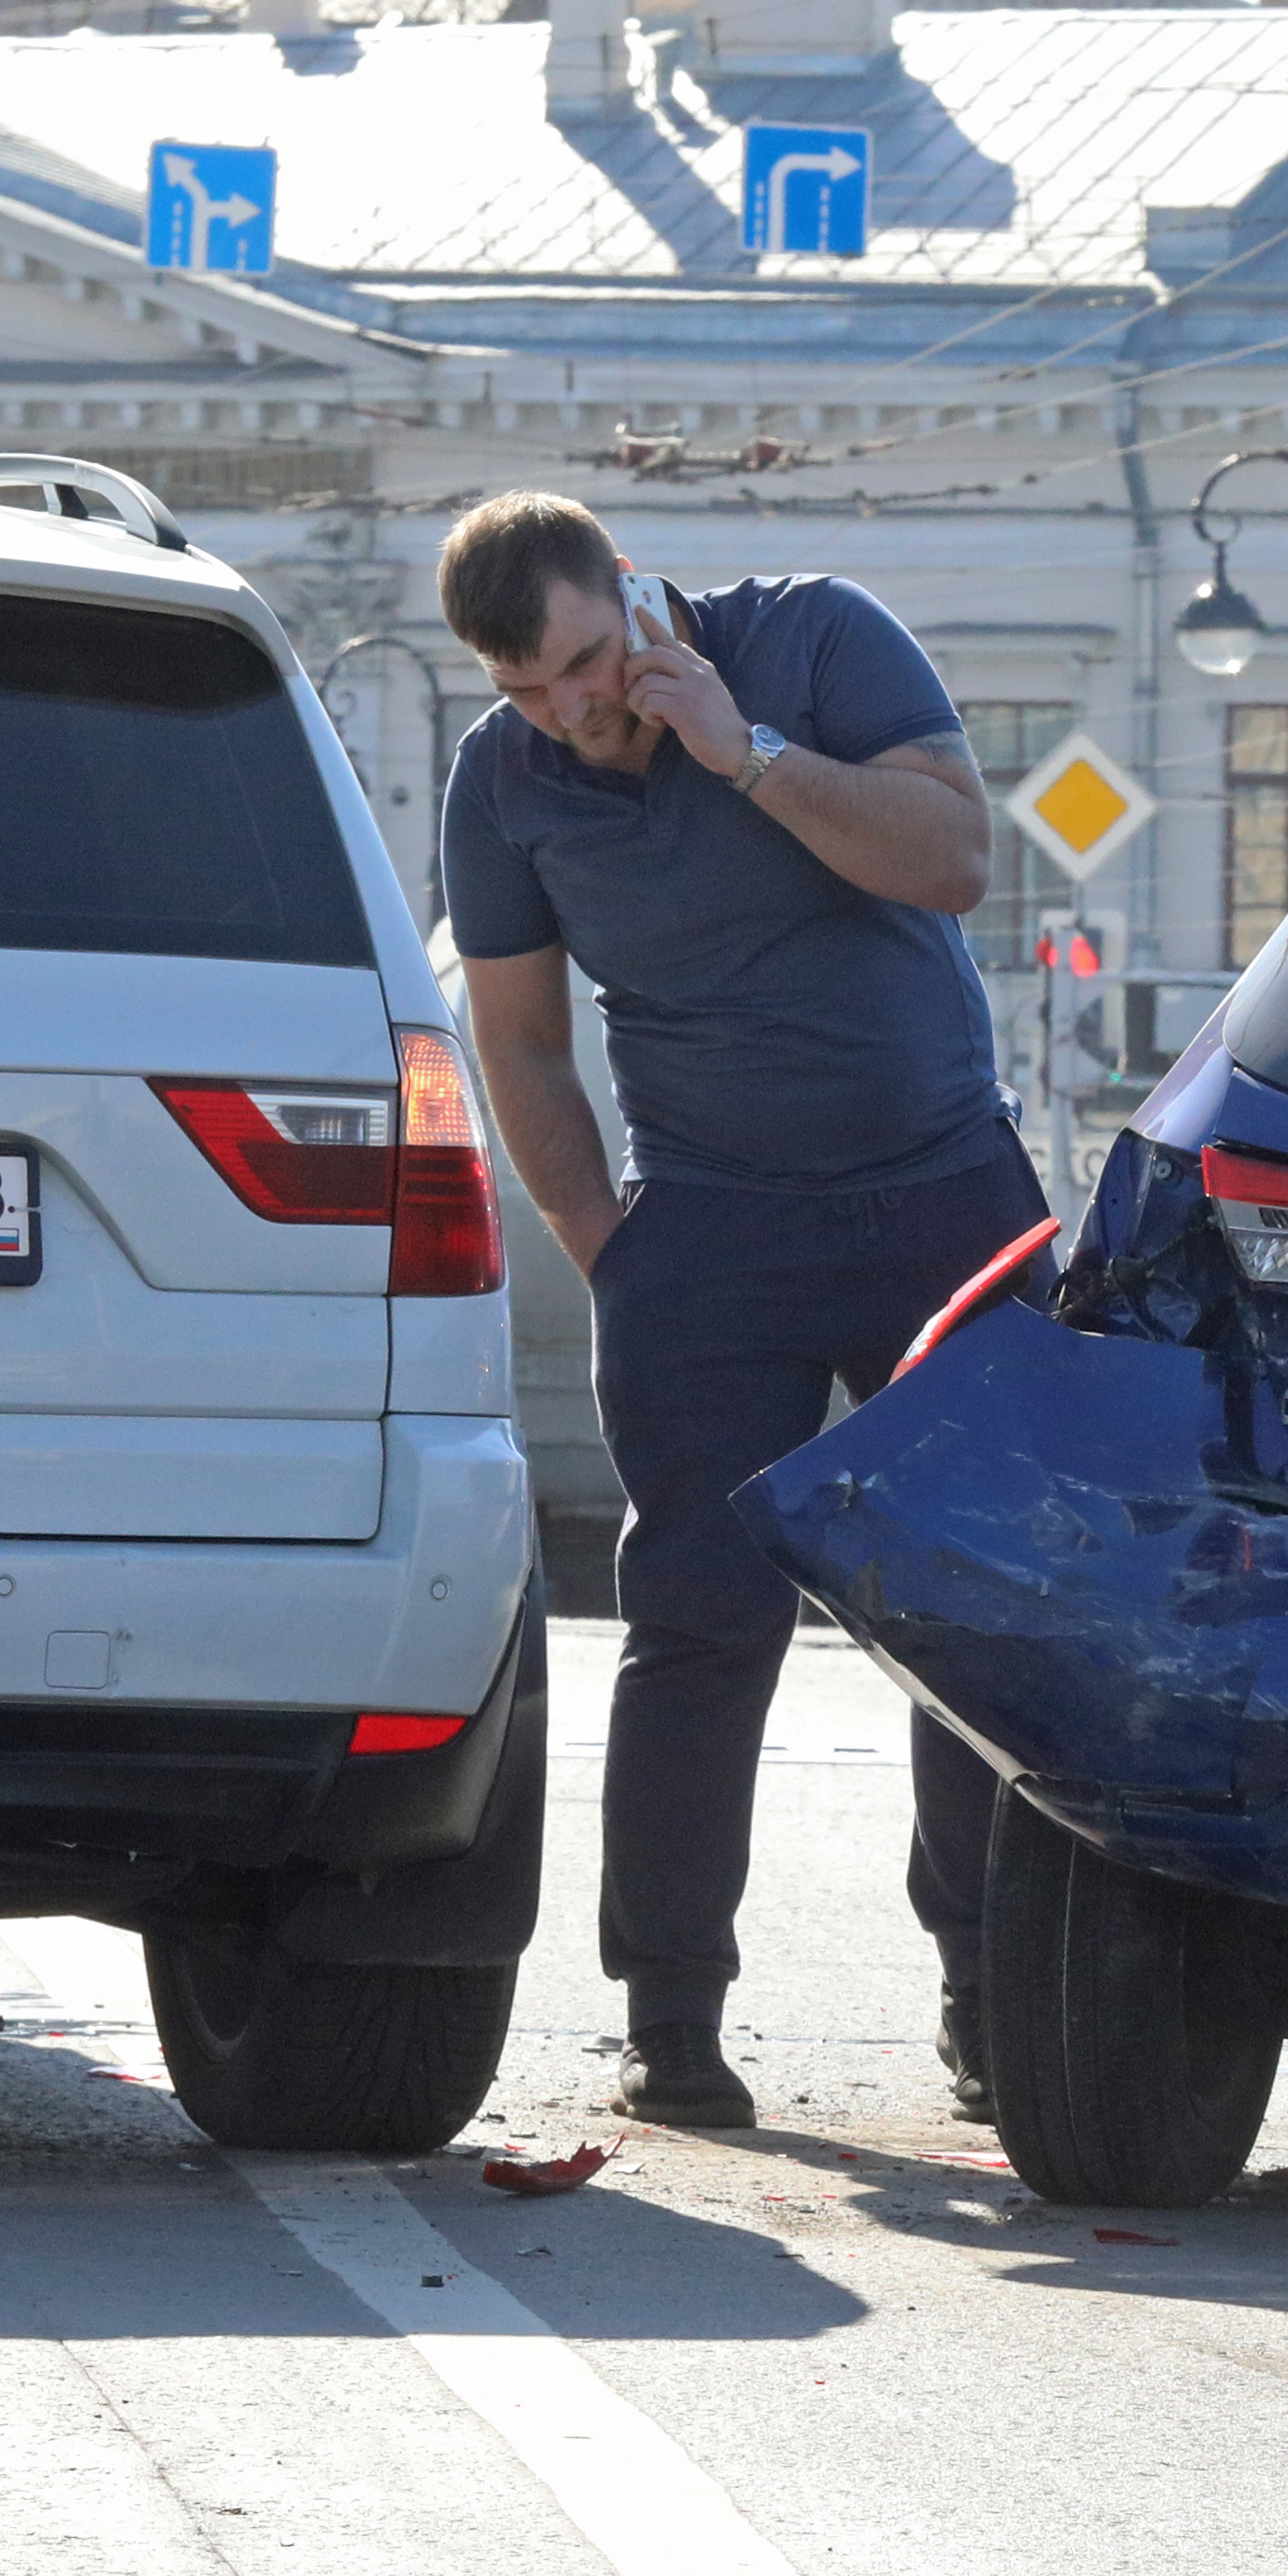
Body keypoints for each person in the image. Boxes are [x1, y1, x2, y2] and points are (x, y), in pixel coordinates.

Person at [433, 492, 1030, 2131]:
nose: (570, 708)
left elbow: (955, 860)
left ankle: (993, 1993)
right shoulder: (503, 778)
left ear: (629, 592)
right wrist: (601, 1240)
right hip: (706, 1225)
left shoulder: (815, 636)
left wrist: (746, 750)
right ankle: (670, 2014)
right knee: (696, 1617)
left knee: (974, 1613)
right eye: (527, 688)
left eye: (579, 664)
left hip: (940, 1198)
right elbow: (524, 1045)